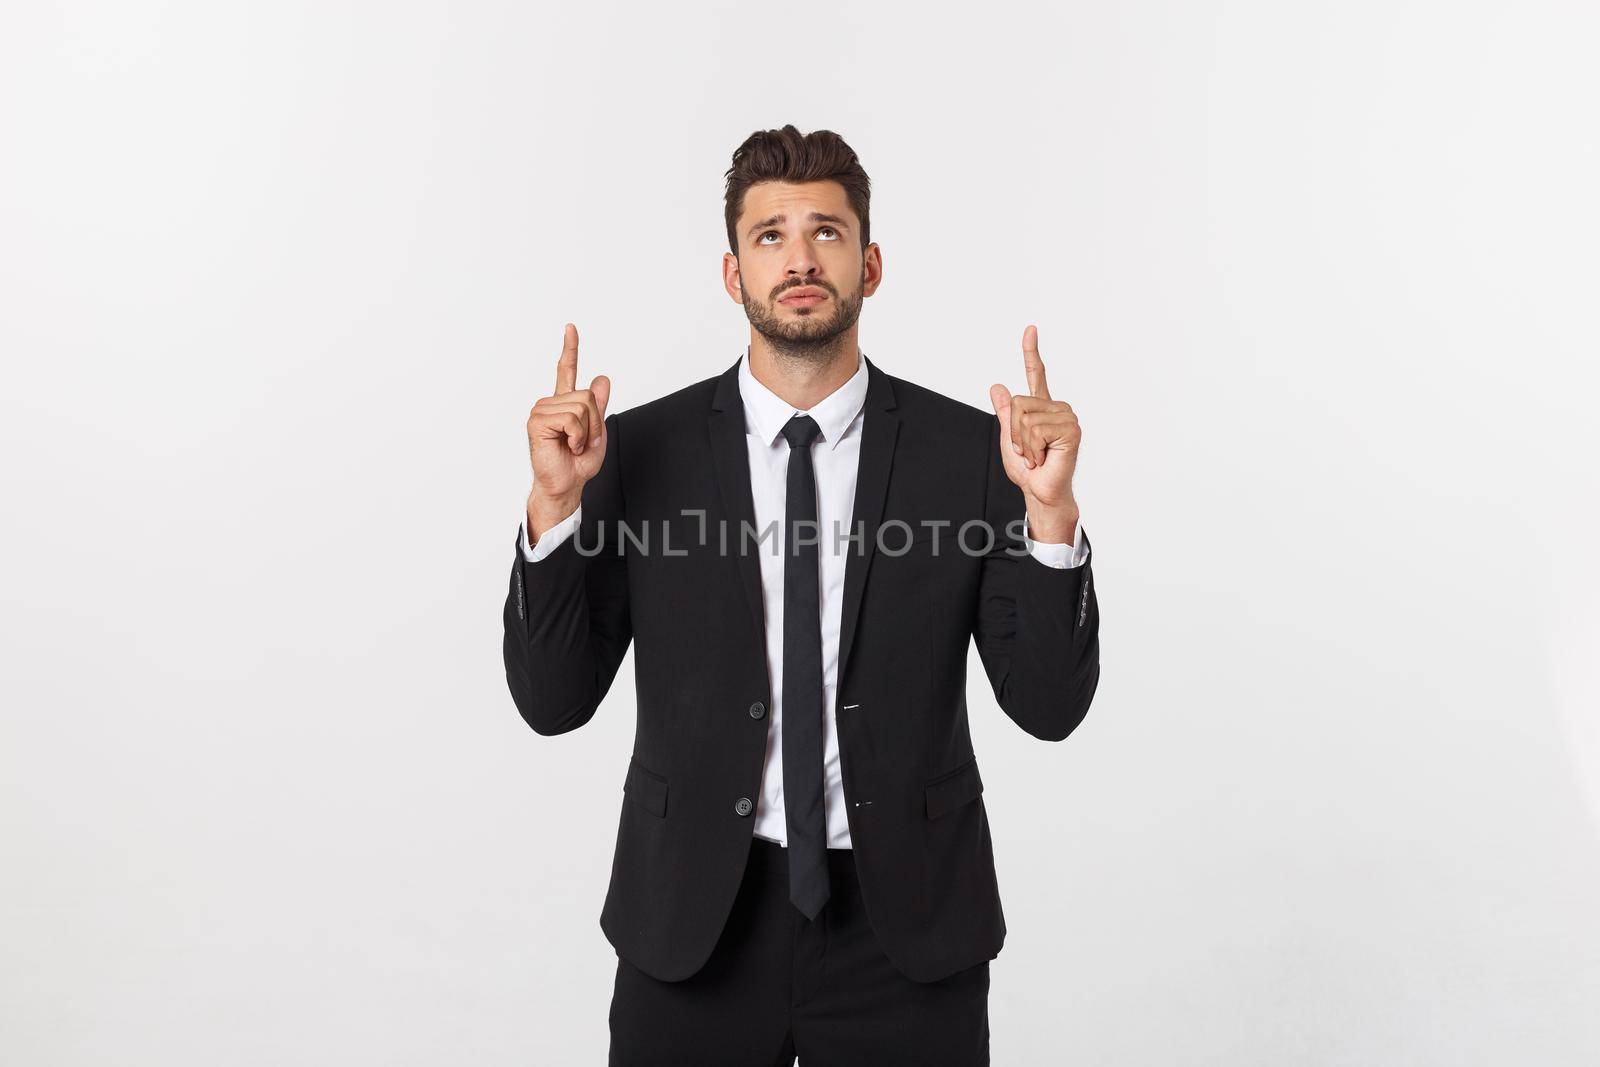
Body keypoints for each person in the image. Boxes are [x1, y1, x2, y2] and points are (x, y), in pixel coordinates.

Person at [502, 124, 1100, 1066]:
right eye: (770, 235)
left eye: (825, 231)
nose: (800, 258)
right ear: (734, 275)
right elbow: (551, 699)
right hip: (694, 923)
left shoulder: (971, 459)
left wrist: (1052, 518)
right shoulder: (634, 453)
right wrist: (554, 505)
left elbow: (1051, 705)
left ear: (870, 263)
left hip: (906, 931)